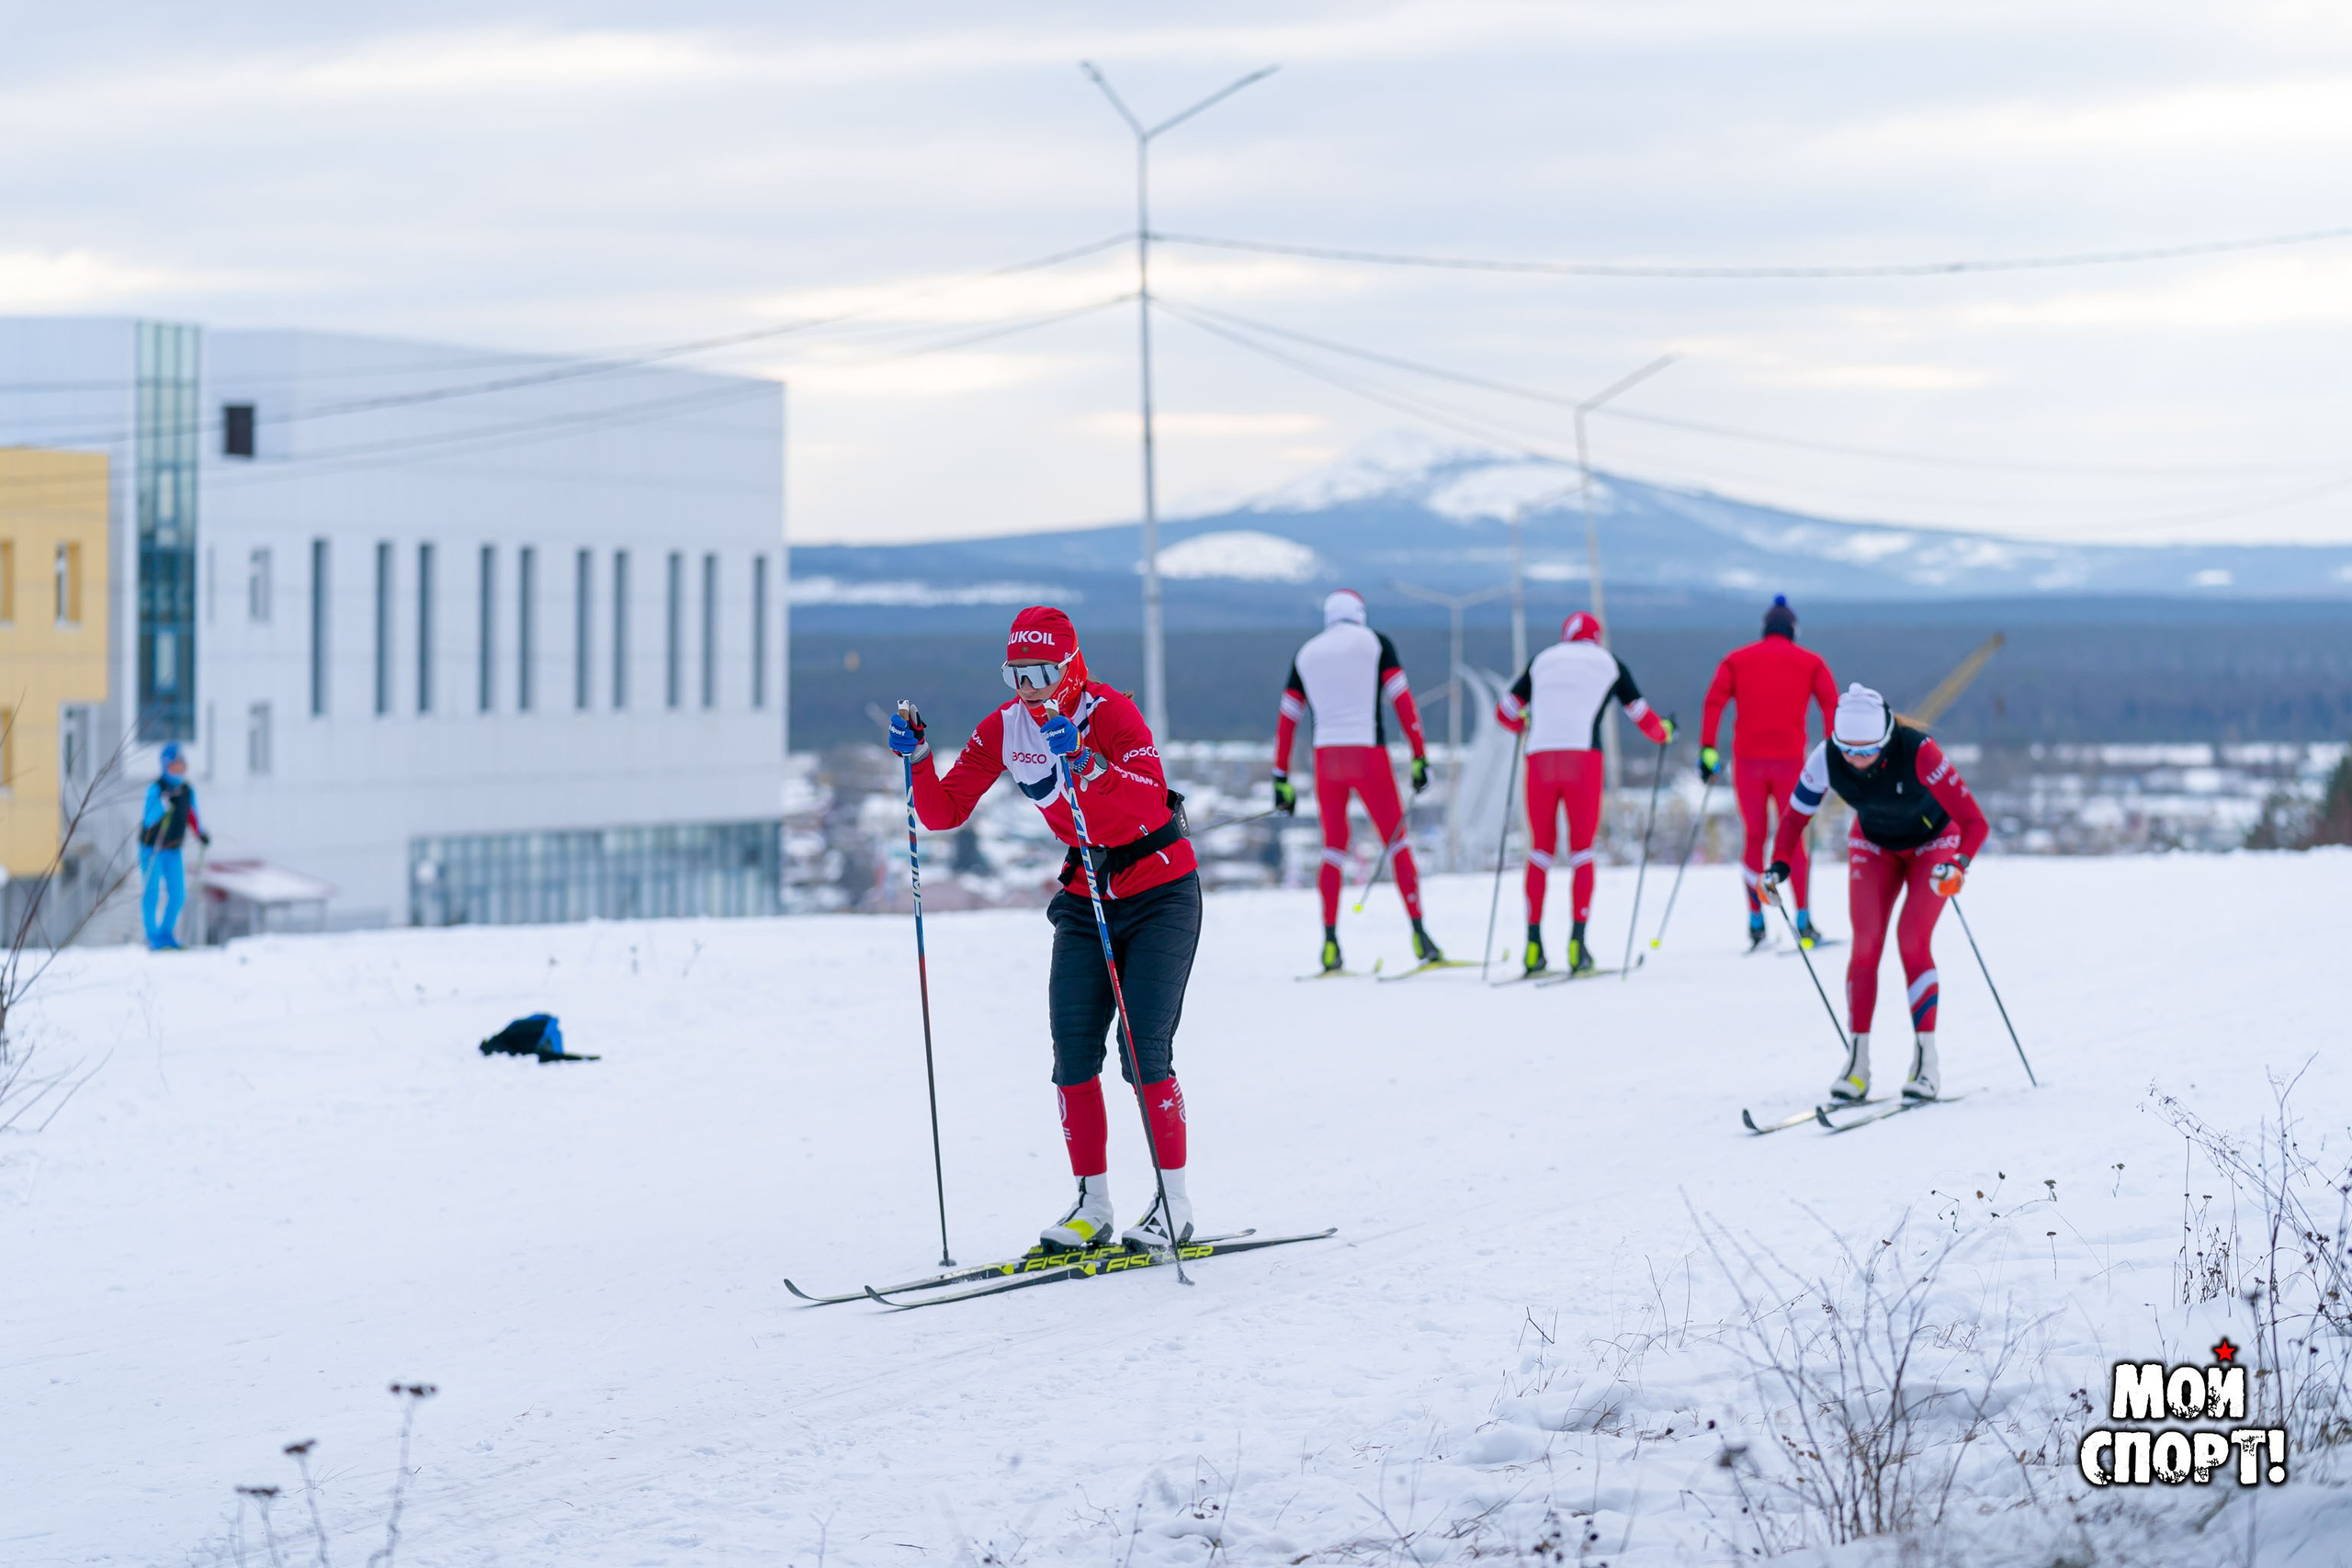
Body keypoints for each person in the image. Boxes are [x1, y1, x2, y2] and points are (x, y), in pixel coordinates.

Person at [888, 605, 1200, 1253]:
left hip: (1160, 890)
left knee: (1143, 1053)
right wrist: (918, 758)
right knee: (1072, 1055)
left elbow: (1148, 796)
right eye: (1016, 673)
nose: (1028, 687)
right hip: (1088, 894)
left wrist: (1087, 764)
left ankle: (1174, 1202)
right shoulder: (1005, 728)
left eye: (1041, 671)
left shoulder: (1110, 712)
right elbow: (944, 810)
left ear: (1070, 664)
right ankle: (1093, 1203)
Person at [1762, 683, 1989, 1104]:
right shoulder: (1827, 756)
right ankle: (1858, 1064)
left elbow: (1975, 823)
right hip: (1874, 844)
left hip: (1933, 845)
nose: (1857, 761)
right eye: (1848, 750)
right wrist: (1778, 864)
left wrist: (1958, 864)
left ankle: (1926, 1062)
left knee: (1912, 940)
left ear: (1886, 739)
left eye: (1867, 752)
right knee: (1865, 946)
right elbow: (1794, 819)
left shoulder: (1918, 750)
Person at [1271, 589, 1442, 973]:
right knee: (1396, 841)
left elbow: (1287, 719)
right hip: (1369, 755)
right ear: (1360, 614)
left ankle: (1330, 944)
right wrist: (1419, 755)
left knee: (1333, 849)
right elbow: (1402, 700)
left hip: (1326, 758)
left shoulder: (1306, 653)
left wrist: (1280, 777)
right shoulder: (1377, 643)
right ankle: (1421, 936)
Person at [1495, 613, 1673, 976]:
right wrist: (1666, 732)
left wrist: (1525, 724)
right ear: (1596, 637)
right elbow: (1643, 717)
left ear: (1566, 637)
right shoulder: (1609, 663)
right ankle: (1578, 944)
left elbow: (1505, 713)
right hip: (1583, 761)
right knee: (1581, 852)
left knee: (1540, 851)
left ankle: (1533, 946)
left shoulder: (1542, 660)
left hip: (1540, 758)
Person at [1700, 594, 1839, 950]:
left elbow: (1714, 701)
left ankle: (1756, 920)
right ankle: (1804, 920)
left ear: (1765, 629)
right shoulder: (1811, 662)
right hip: (1791, 762)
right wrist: (1832, 750)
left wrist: (1708, 750)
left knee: (1754, 837)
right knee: (1792, 839)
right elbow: (1830, 704)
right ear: (1793, 630)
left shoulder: (1736, 659)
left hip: (1747, 762)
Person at [138, 742, 209, 952]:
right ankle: (153, 937)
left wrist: (200, 834)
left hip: (173, 849)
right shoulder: (156, 789)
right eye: (173, 767)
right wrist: (162, 806)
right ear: (165, 767)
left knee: (178, 893)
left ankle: (166, 933)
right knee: (152, 892)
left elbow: (192, 814)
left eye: (181, 767)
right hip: (152, 848)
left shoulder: (186, 790)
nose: (178, 772)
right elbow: (149, 820)